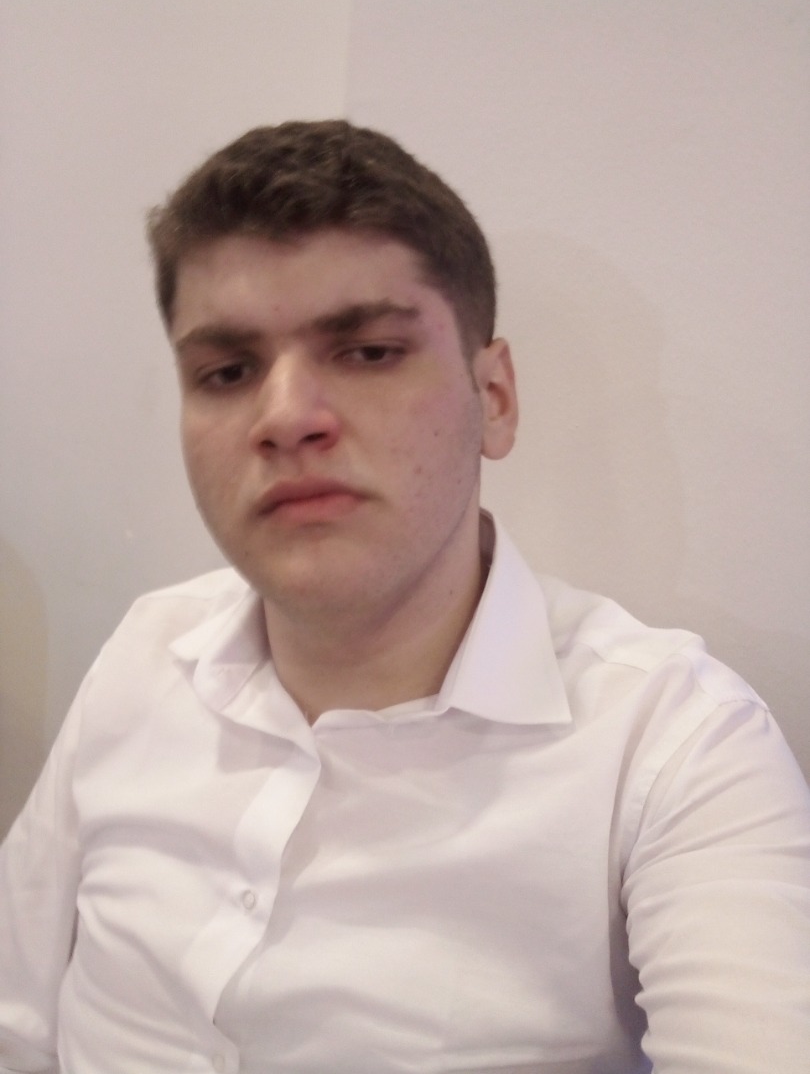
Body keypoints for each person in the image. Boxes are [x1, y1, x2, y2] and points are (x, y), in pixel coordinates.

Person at [1, 120, 809, 1074]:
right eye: (226, 372)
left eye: (370, 352)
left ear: (494, 398)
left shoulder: (676, 747)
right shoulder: (146, 650)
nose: (285, 417)